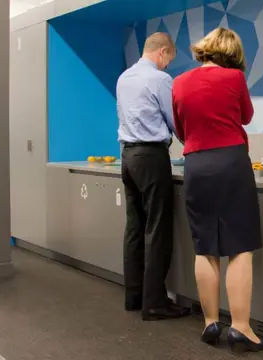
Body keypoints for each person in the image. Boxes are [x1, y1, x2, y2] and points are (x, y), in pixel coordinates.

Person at [172, 28, 263, 353]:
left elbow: (181, 129)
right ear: (232, 53)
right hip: (230, 162)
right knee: (239, 247)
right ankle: (240, 327)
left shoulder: (180, 82)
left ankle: (210, 321)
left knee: (205, 247)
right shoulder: (233, 79)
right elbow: (246, 116)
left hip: (196, 165)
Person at [116, 32, 190, 321]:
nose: (166, 66)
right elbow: (174, 121)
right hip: (151, 157)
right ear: (162, 52)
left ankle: (134, 296)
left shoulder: (124, 78)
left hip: (128, 156)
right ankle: (155, 303)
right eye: (168, 60)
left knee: (134, 227)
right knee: (158, 229)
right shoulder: (160, 80)